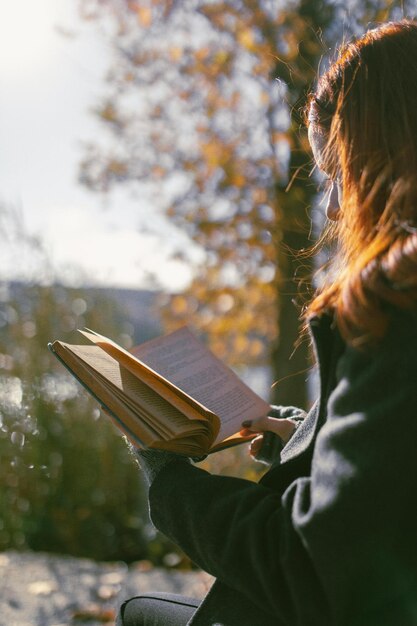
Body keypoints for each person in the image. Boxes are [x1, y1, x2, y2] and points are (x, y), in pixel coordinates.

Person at [116, 20, 417, 626]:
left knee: (138, 614)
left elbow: (307, 568)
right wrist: (310, 438)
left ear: (384, 154)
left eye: (338, 174)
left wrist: (169, 481)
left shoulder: (396, 309)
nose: (332, 207)